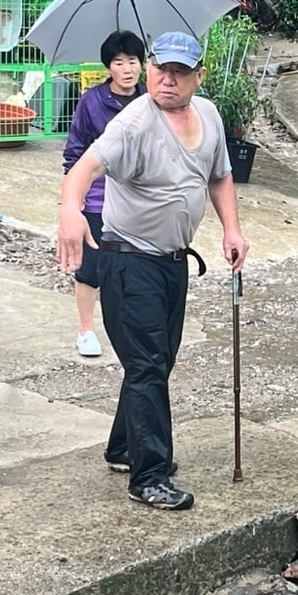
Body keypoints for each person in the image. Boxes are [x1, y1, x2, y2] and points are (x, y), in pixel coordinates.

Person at [58, 31, 247, 511]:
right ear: (150, 70)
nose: (167, 80)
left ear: (198, 77)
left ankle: (124, 446)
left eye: (180, 72)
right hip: (126, 260)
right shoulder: (134, 122)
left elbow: (220, 174)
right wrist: (70, 211)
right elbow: (83, 168)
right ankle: (150, 474)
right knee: (146, 367)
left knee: (156, 362)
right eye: (160, 69)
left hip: (172, 261)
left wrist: (232, 230)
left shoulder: (207, 115)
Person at [62, 30, 147, 358]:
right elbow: (75, 153)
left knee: (134, 265)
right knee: (92, 266)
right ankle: (85, 331)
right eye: (119, 62)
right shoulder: (92, 101)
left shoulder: (151, 101)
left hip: (138, 198)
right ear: (108, 67)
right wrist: (73, 201)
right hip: (98, 198)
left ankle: (129, 327)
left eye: (134, 61)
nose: (128, 69)